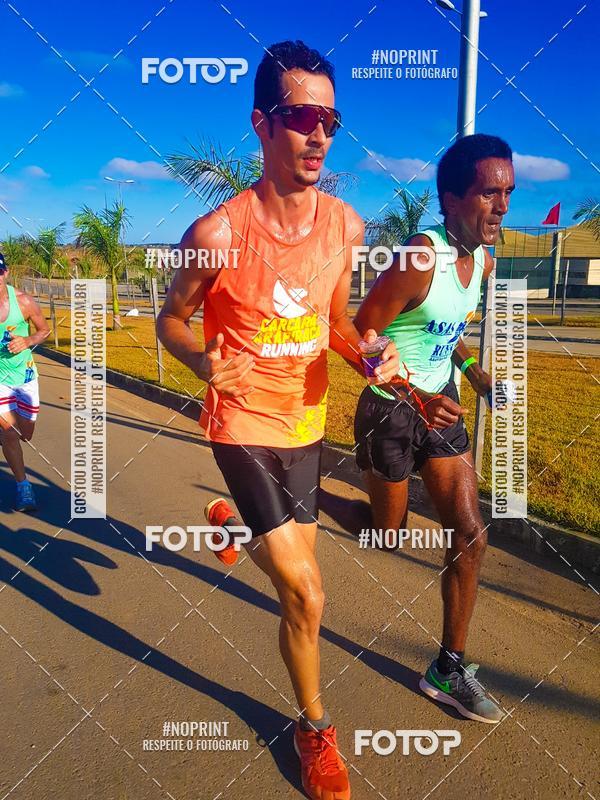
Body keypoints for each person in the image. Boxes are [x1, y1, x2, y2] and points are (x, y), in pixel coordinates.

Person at [157, 40, 398, 800]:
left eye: (330, 118)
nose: (319, 133)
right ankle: (314, 729)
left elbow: (335, 319)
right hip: (240, 423)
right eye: (301, 116)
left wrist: (367, 353)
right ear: (262, 124)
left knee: (290, 565)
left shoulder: (346, 227)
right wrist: (201, 364)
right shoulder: (217, 234)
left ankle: (231, 525)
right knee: (307, 593)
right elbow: (171, 319)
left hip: (305, 425)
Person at [321, 134, 515, 724]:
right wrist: (413, 395)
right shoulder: (417, 259)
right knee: (389, 532)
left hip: (442, 406)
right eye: (489, 193)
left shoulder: (482, 259)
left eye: (508, 192)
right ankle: (308, 495)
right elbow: (361, 335)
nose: (502, 206)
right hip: (389, 409)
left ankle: (448, 667)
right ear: (452, 198)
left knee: (471, 533)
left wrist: (470, 370)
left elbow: (444, 331)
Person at [0, 251, 50, 510]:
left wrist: (28, 341)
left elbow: (45, 330)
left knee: (25, 434)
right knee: (8, 433)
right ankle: (24, 487)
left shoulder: (24, 302)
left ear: (5, 273)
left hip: (25, 376)